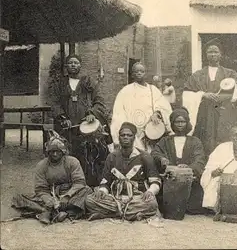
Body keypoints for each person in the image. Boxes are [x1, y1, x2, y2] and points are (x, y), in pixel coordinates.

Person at [49, 54, 110, 187]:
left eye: (76, 63)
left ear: (80, 65)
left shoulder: (89, 82)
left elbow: (99, 101)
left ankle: (88, 184)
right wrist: (62, 118)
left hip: (86, 127)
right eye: (70, 63)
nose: (73, 65)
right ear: (66, 66)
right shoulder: (59, 84)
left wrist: (92, 114)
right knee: (68, 154)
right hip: (67, 128)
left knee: (88, 155)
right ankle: (68, 184)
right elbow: (54, 103)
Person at [85, 122, 161, 221]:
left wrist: (150, 191)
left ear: (134, 138)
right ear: (119, 137)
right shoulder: (112, 157)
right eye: (123, 135)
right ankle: (131, 214)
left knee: (151, 203)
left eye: (129, 135)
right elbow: (105, 182)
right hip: (115, 197)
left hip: (137, 198)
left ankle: (111, 214)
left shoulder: (145, 156)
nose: (125, 137)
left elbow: (155, 181)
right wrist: (102, 191)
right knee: (89, 200)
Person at [12, 133, 92, 224]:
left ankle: (61, 212)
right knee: (19, 198)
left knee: (87, 190)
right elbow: (40, 189)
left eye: (58, 151)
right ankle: (51, 211)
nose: (54, 154)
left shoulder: (72, 162)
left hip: (70, 196)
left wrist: (67, 196)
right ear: (48, 152)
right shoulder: (42, 165)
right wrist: (49, 200)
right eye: (52, 151)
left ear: (63, 152)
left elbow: (80, 182)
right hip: (50, 195)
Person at [183, 45, 237, 155]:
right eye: (210, 52)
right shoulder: (197, 75)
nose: (213, 54)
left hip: (224, 114)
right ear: (206, 55)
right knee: (205, 141)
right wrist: (203, 95)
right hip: (204, 115)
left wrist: (227, 93)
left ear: (220, 54)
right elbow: (186, 93)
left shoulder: (229, 73)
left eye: (215, 52)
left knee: (224, 140)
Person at [151, 107, 207, 215]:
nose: (180, 124)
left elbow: (199, 160)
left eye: (183, 121)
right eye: (177, 122)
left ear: (187, 123)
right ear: (172, 123)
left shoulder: (194, 141)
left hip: (189, 181)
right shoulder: (166, 140)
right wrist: (162, 159)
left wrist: (189, 168)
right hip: (170, 182)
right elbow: (155, 153)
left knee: (193, 206)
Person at [110, 62, 172, 152]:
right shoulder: (125, 91)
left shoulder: (153, 90)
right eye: (136, 71)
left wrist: (157, 113)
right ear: (132, 74)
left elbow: (164, 106)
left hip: (151, 131)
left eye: (141, 71)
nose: (139, 73)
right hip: (134, 132)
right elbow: (118, 112)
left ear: (145, 73)